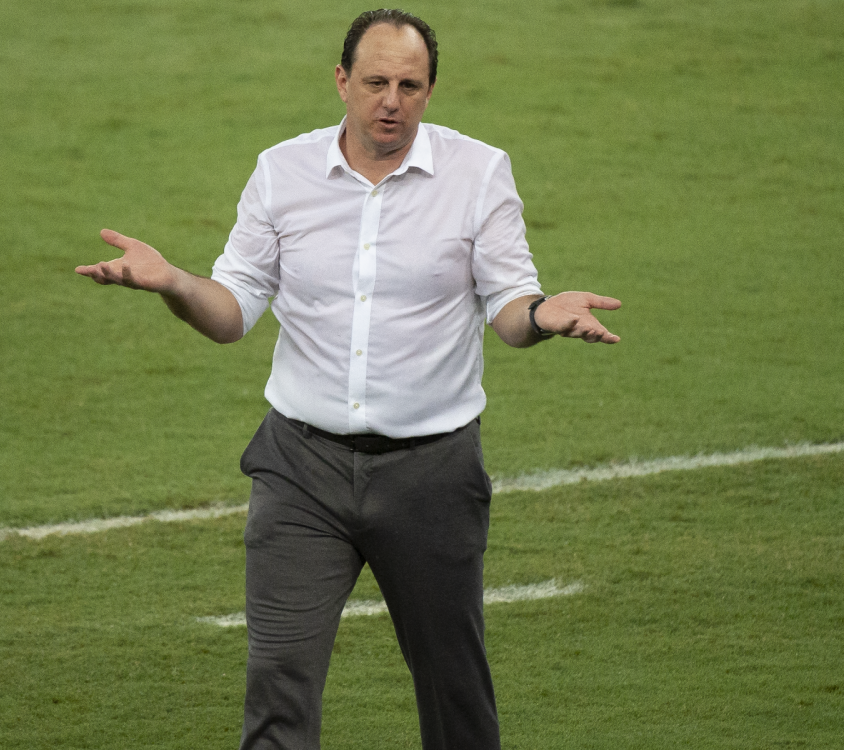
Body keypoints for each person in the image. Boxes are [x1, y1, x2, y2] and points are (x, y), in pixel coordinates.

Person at [77, 9, 620, 749]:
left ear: (430, 91)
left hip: (432, 475)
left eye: (409, 86)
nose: (391, 101)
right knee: (278, 684)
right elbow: (232, 311)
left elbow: (508, 305)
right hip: (299, 472)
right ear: (341, 81)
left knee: (455, 693)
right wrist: (174, 281)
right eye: (375, 83)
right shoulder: (282, 171)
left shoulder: (478, 173)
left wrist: (542, 313)